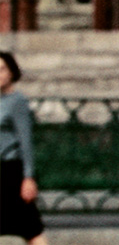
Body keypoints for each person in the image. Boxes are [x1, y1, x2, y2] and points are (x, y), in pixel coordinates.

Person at [1, 51, 48, 245]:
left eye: (2, 69)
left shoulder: (17, 101)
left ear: (12, 72)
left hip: (10, 171)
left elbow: (25, 141)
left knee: (30, 228)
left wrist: (28, 178)